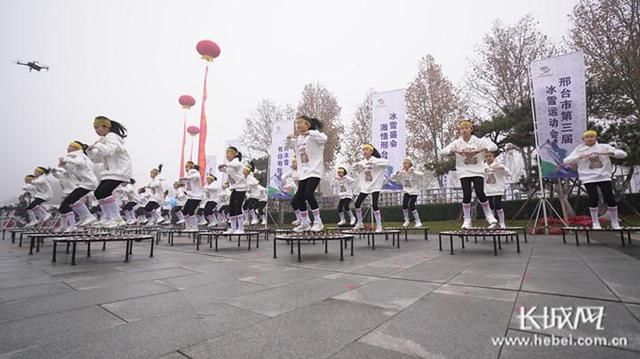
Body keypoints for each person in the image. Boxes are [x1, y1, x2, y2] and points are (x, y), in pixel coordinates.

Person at [564, 130, 627, 229]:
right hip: (588, 178)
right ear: (583, 139)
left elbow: (623, 154)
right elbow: (566, 160)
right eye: (587, 137)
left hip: (604, 176)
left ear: (595, 138)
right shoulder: (579, 149)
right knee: (593, 198)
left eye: (592, 137)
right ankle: (595, 223)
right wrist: (580, 156)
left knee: (610, 198)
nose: (589, 139)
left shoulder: (603, 147)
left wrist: (611, 152)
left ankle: (615, 222)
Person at [442, 120, 498, 229]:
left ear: (471, 130)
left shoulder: (478, 141)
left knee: (480, 192)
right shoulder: (457, 143)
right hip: (464, 172)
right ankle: (467, 220)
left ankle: (489, 215)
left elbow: (493, 147)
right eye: (462, 128)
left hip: (477, 170)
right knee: (466, 194)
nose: (464, 130)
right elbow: (443, 151)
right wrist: (452, 151)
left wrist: (485, 149)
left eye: (466, 128)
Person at [87, 116, 133, 227]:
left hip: (120, 170)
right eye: (95, 128)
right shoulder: (103, 140)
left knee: (105, 192)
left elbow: (109, 151)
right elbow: (97, 160)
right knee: (98, 193)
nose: (96, 130)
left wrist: (97, 145)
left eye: (98, 127)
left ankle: (117, 219)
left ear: (106, 127)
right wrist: (89, 151)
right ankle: (108, 217)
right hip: (110, 172)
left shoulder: (112, 137)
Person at [286, 115, 328, 232]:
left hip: (314, 171)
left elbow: (324, 138)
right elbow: (288, 146)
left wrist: (310, 132)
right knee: (300, 197)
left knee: (309, 194)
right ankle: (305, 223)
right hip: (303, 172)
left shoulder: (314, 136)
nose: (298, 126)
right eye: (296, 124)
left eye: (300, 123)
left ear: (308, 125)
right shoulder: (298, 139)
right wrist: (289, 138)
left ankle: (318, 221)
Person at [55, 141, 100, 231]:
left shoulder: (79, 154)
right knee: (69, 201)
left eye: (70, 146)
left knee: (70, 200)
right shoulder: (73, 157)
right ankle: (84, 217)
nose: (68, 148)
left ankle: (87, 216)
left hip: (89, 182)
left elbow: (80, 163)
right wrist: (64, 166)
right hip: (84, 183)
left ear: (76, 148)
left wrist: (66, 160)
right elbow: (72, 171)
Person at [352, 144, 389, 232]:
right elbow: (355, 169)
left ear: (371, 151)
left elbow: (386, 163)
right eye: (363, 150)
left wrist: (373, 163)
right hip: (365, 186)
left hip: (375, 185)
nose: (364, 152)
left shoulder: (376, 160)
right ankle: (360, 222)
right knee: (357, 203)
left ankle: (379, 226)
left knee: (375, 205)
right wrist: (356, 166)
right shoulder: (362, 162)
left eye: (367, 150)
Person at [218, 147, 248, 234]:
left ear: (235, 154)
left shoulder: (237, 162)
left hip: (241, 188)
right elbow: (222, 170)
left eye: (229, 153)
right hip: (234, 188)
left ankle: (241, 229)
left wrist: (225, 165)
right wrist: (221, 167)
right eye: (226, 154)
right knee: (231, 207)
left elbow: (235, 165)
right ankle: (233, 228)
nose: (227, 155)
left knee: (237, 207)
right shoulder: (230, 164)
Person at [391, 159, 424, 228]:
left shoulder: (413, 171)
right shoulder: (402, 172)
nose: (404, 165)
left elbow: (421, 174)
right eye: (404, 164)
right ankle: (406, 220)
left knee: (412, 205)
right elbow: (392, 177)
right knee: (404, 205)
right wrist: (397, 173)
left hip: (414, 191)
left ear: (409, 164)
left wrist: (413, 172)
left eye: (406, 164)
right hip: (406, 191)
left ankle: (418, 221)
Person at [484, 151, 510, 229]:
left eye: (490, 156)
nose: (488, 158)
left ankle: (502, 222)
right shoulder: (483, 166)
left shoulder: (498, 165)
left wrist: (502, 169)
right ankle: (493, 222)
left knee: (498, 204)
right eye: (487, 156)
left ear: (493, 157)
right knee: (490, 205)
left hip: (498, 188)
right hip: (488, 189)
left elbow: (508, 173)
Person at [180, 161, 204, 231]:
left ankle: (195, 227)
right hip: (191, 196)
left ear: (191, 167)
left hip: (197, 196)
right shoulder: (189, 174)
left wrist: (186, 178)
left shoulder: (195, 173)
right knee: (184, 211)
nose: (186, 168)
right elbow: (188, 186)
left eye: (187, 167)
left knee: (191, 212)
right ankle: (188, 227)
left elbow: (195, 176)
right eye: (185, 167)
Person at [282, 158, 301, 225]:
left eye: (294, 162)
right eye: (292, 163)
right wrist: (284, 181)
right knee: (295, 203)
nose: (293, 164)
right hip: (298, 190)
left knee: (298, 203)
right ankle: (300, 219)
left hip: (304, 189)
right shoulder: (292, 172)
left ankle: (304, 219)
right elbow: (285, 175)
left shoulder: (301, 170)